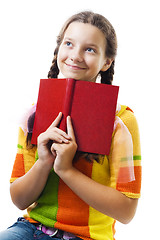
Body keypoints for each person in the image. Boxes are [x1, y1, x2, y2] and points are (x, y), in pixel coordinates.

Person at [0, 11, 142, 240]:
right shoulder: (34, 115)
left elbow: (126, 212)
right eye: (69, 44)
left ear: (106, 62)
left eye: (90, 49)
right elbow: (19, 199)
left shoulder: (121, 122)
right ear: (58, 50)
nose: (75, 56)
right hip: (30, 229)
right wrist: (45, 161)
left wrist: (66, 170)